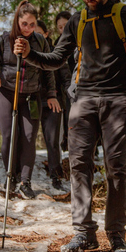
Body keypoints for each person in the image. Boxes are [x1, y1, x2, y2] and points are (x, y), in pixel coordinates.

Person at [14, 0, 126, 252]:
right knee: (78, 165)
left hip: (118, 100)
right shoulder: (78, 20)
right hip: (83, 100)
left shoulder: (124, 15)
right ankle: (84, 233)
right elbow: (56, 58)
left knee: (117, 168)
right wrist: (30, 54)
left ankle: (116, 235)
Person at [0, 0, 61, 199]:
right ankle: (11, 177)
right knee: (9, 135)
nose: (28, 28)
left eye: (32, 25)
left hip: (31, 96)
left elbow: (48, 70)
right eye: (24, 24)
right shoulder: (4, 39)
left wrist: (51, 94)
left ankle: (25, 181)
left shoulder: (41, 42)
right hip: (5, 92)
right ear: (17, 21)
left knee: (28, 137)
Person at [34, 19, 68, 192]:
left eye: (39, 32)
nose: (35, 35)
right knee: (25, 139)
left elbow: (65, 77)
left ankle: (56, 177)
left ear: (46, 34)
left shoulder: (55, 52)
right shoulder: (27, 52)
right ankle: (21, 178)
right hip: (32, 101)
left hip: (53, 102)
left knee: (52, 140)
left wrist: (65, 97)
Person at [54, 11, 73, 151]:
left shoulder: (81, 39)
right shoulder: (57, 44)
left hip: (84, 84)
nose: (63, 30)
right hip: (65, 88)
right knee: (68, 118)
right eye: (60, 27)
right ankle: (66, 147)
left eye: (65, 26)